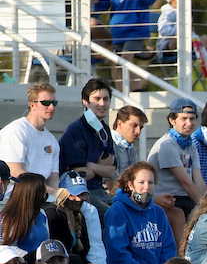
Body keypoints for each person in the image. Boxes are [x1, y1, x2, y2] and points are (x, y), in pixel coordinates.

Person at [147, 97, 207, 245]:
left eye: (192, 119)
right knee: (197, 217)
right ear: (172, 120)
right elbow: (186, 183)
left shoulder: (190, 145)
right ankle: (182, 258)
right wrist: (205, 208)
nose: (189, 123)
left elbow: (198, 179)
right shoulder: (167, 144)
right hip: (167, 199)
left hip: (185, 198)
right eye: (184, 118)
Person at [58, 78, 116, 215]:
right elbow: (79, 175)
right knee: (112, 216)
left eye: (106, 99)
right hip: (80, 193)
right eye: (97, 99)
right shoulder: (76, 131)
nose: (102, 103)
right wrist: (99, 166)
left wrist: (92, 166)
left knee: (127, 212)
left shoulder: (105, 130)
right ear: (85, 101)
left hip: (100, 191)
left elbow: (111, 171)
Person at [46, 172, 107, 264]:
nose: (79, 199)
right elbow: (58, 251)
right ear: (63, 193)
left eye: (82, 194)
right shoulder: (53, 214)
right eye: (74, 194)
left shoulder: (79, 214)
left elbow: (84, 250)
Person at [0, 83, 60, 189]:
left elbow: (53, 179)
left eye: (54, 103)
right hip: (15, 195)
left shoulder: (52, 140)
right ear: (32, 105)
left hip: (42, 196)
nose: (51, 107)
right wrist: (49, 192)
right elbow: (15, 172)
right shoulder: (16, 131)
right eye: (45, 103)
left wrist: (57, 197)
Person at [1, 172, 51, 260]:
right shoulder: (12, 217)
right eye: (42, 190)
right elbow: (8, 247)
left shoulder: (42, 213)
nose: (45, 194)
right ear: (33, 193)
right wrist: (30, 257)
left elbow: (47, 241)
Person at [109, 105, 147, 185]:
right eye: (134, 126)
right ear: (119, 124)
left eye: (141, 127)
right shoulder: (108, 146)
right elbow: (112, 186)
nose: (138, 132)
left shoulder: (130, 148)